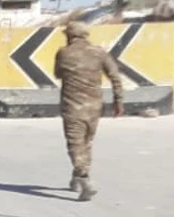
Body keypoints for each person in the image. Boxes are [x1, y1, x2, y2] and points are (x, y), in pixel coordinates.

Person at [53, 21, 124, 201]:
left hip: (72, 106)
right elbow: (115, 76)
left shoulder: (63, 53)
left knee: (74, 144)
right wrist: (119, 101)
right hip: (95, 106)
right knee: (87, 142)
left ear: (69, 36)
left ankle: (84, 179)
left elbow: (58, 74)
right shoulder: (99, 53)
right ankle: (76, 178)